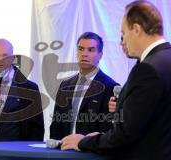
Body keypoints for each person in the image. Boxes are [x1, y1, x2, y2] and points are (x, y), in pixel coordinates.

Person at [60, 1, 171, 160]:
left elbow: (125, 134)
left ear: (136, 30)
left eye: (123, 33)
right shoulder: (165, 59)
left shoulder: (147, 69)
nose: (122, 42)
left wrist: (84, 141)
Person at [50, 32, 119, 140]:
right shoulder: (65, 85)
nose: (84, 54)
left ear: (100, 55)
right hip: (63, 151)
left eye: (90, 50)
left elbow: (109, 129)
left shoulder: (110, 87)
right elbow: (56, 124)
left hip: (91, 153)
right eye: (81, 49)